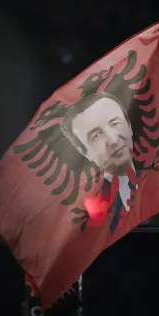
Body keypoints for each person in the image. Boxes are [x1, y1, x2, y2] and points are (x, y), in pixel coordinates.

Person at [61, 93, 136, 233]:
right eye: (96, 136)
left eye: (115, 124)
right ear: (85, 152)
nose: (113, 140)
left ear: (129, 125)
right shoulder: (82, 208)